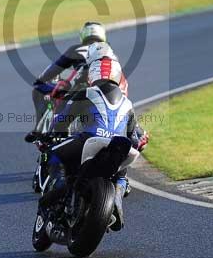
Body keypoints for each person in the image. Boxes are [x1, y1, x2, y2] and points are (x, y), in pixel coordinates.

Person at [38, 50, 148, 231]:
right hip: (121, 147)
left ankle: (58, 188)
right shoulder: (128, 104)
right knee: (122, 174)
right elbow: (134, 138)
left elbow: (62, 120)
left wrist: (50, 134)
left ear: (93, 74)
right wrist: (140, 143)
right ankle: (117, 201)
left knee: (52, 154)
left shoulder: (86, 93)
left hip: (89, 140)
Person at [25, 21, 107, 141]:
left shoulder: (77, 49)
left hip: (80, 88)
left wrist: (40, 81)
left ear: (84, 34)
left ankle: (40, 130)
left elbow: (53, 69)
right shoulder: (109, 51)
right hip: (107, 91)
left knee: (39, 89)